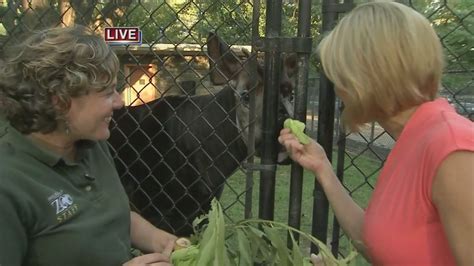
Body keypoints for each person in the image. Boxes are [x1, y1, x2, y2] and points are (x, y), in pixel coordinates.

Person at [279, 1, 473, 265]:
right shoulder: (415, 140)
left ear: (368, 75)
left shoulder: (452, 147)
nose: (336, 86)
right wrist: (322, 166)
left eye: (339, 73)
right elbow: (382, 242)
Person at [0, 25, 177, 265]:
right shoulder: (9, 184)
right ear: (60, 102)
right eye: (107, 93)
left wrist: (159, 240)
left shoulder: (91, 144)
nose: (119, 102)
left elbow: (110, 214)